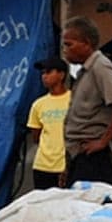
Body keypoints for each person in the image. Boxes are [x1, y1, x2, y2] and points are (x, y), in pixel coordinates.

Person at [61, 16, 112, 185]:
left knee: (90, 206)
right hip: (79, 154)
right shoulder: (84, 72)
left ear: (86, 43)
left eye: (69, 44)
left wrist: (103, 141)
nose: (65, 49)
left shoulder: (100, 67)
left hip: (93, 158)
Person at [26, 56, 71, 190]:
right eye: (43, 73)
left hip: (66, 165)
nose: (44, 76)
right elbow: (36, 137)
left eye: (48, 72)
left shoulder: (73, 100)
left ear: (61, 75)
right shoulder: (38, 105)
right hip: (42, 166)